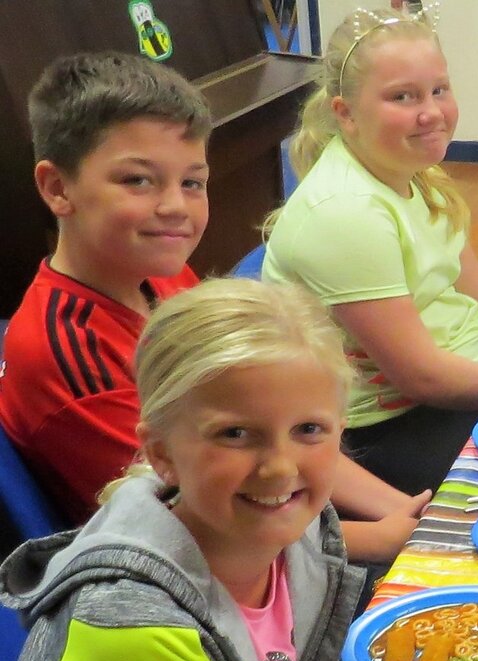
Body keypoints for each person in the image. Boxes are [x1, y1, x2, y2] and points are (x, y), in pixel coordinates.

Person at [0, 278, 367, 661]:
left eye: (309, 430)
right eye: (234, 433)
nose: (280, 467)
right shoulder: (126, 631)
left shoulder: (294, 530)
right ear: (162, 453)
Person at [0, 51, 425, 562]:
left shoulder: (161, 275)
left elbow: (277, 427)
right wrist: (383, 540)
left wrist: (404, 512)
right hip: (195, 578)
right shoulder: (72, 354)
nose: (175, 206)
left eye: (191, 182)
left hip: (269, 522)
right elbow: (190, 520)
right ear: (57, 188)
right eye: (137, 180)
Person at [264, 6, 478, 495]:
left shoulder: (417, 174)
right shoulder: (346, 211)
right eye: (402, 97)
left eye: (439, 90)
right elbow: (422, 377)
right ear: (345, 112)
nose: (431, 112)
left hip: (465, 380)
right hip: (389, 431)